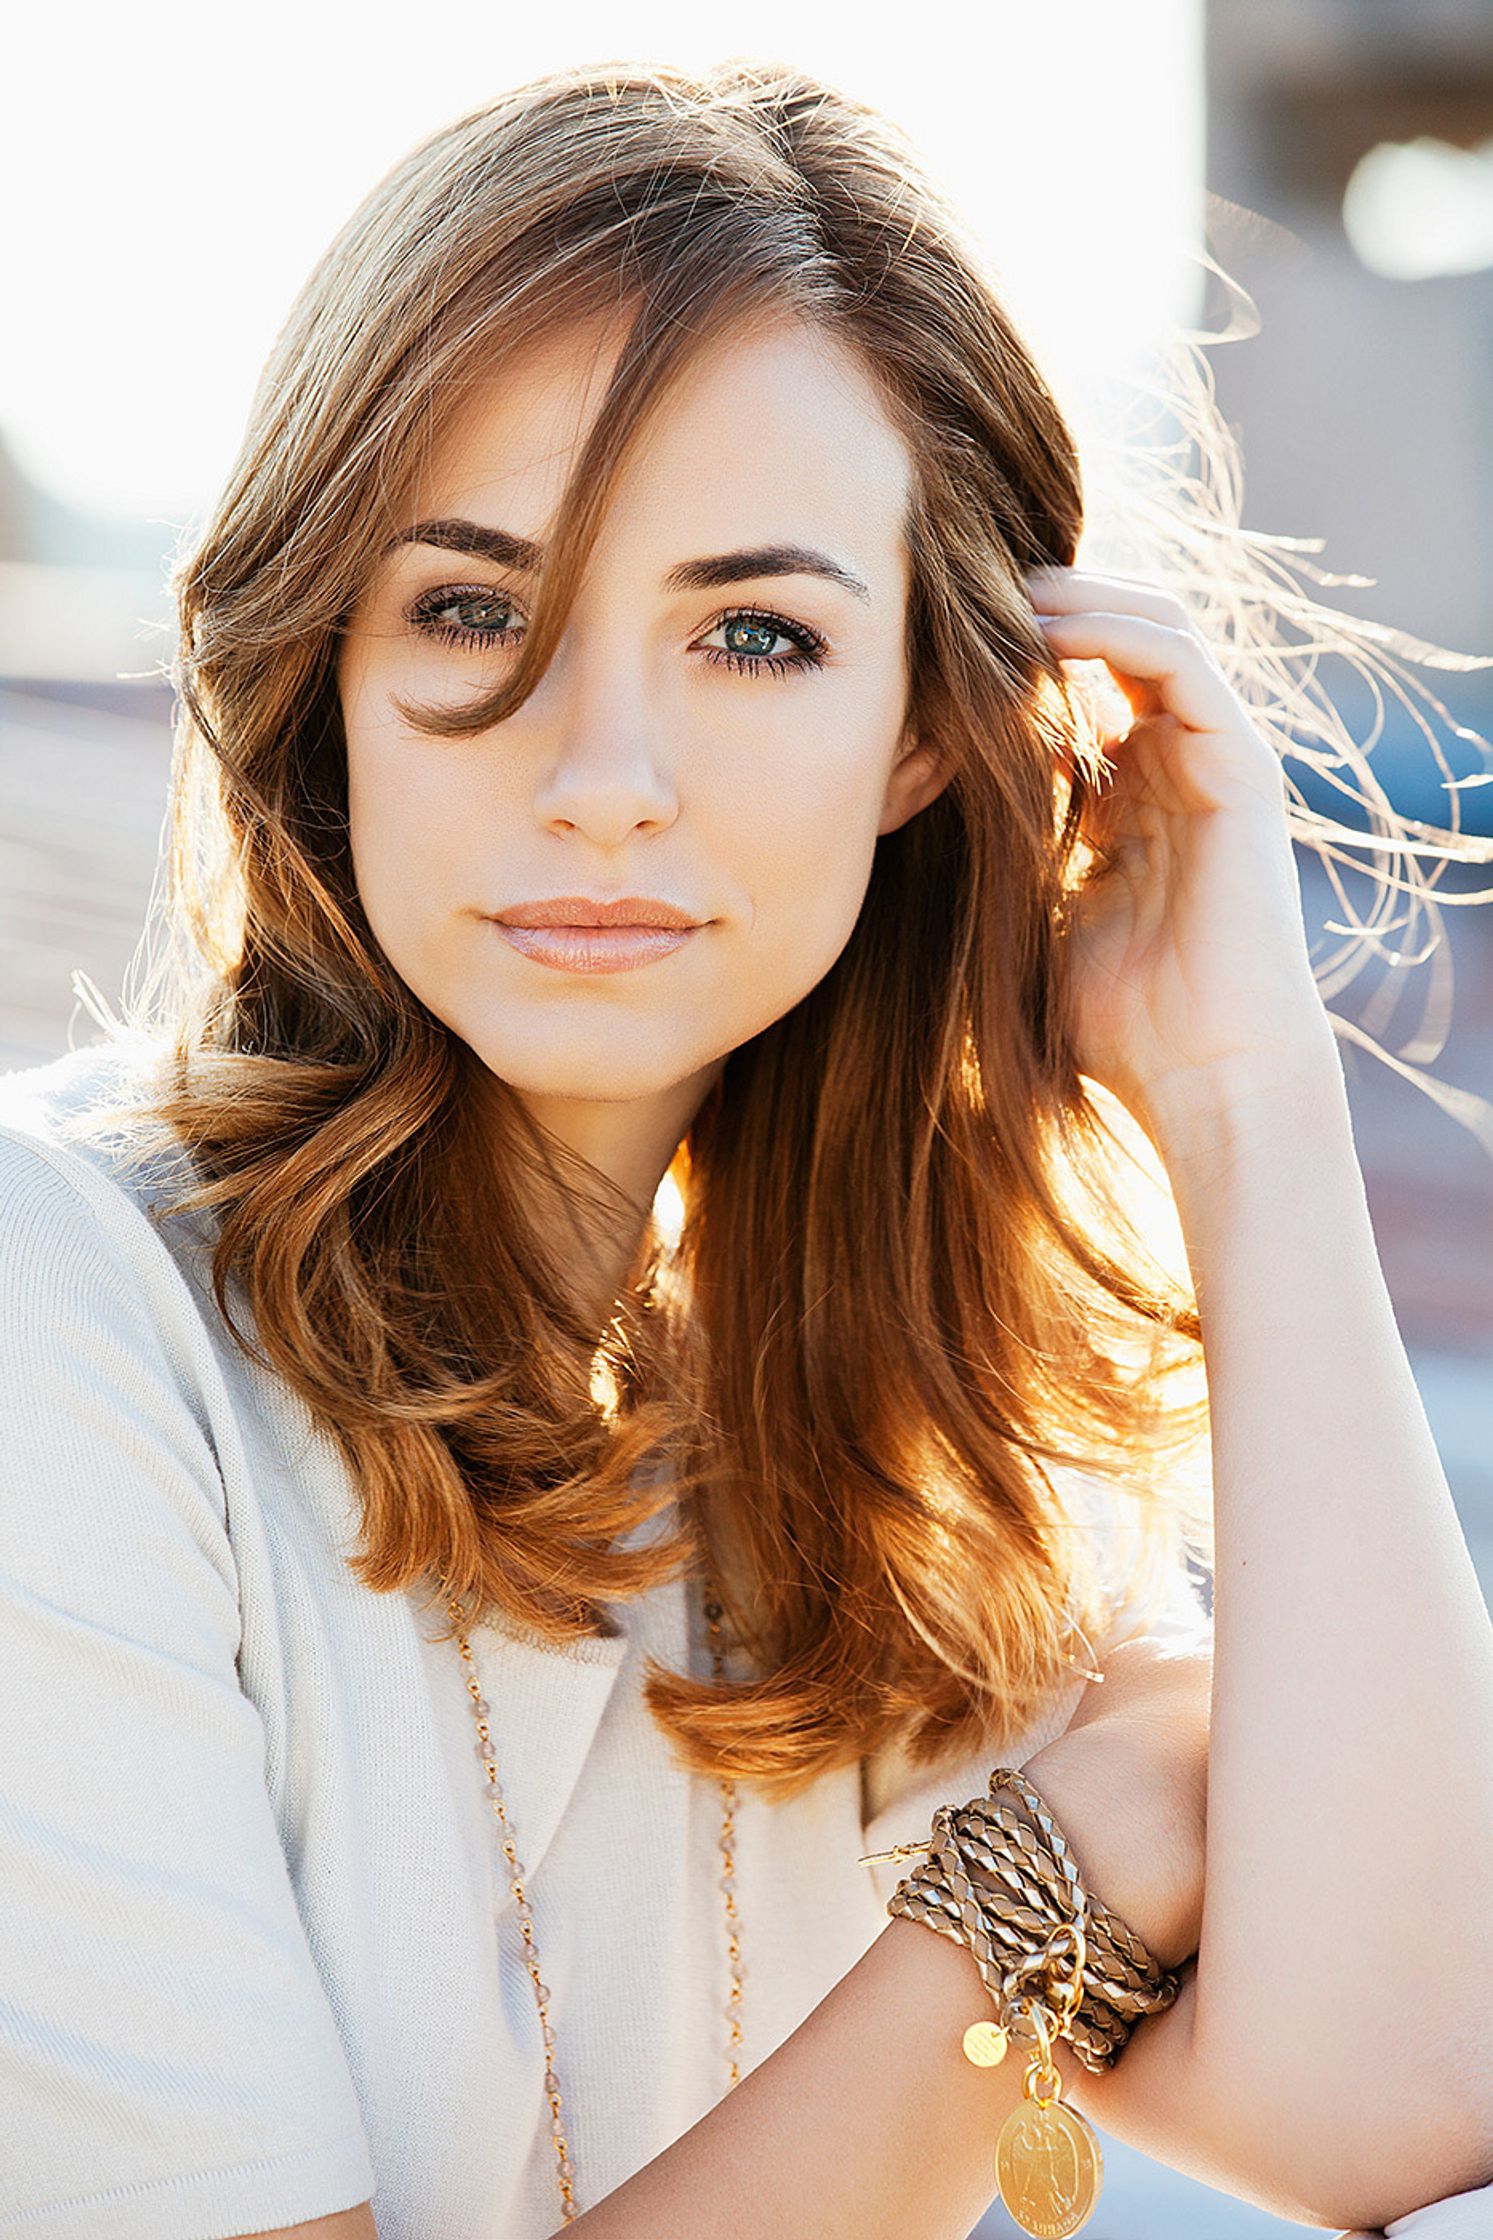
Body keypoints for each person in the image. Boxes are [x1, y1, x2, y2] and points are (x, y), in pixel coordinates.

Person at [2, 54, 1491, 2240]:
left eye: (756, 635)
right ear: (321, 662)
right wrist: (1038, 1891)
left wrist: (1246, 1092)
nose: (603, 773)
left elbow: (1400, 2090)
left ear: (922, 738)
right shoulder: (64, 1311)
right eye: (472, 608)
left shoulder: (916, 1449)